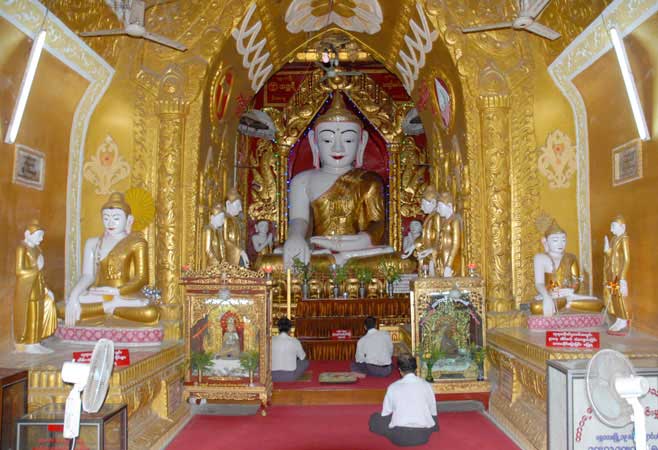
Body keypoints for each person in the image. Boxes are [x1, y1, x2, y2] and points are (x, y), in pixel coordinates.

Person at [255, 91, 415, 274]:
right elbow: (299, 220)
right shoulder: (303, 180)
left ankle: (337, 262)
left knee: (399, 262)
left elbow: (376, 225)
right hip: (316, 251)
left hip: (357, 252)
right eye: (327, 140)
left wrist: (353, 243)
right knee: (268, 263)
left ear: (361, 142)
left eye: (348, 139)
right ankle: (336, 262)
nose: (337, 148)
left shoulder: (370, 181)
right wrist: (296, 238)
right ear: (314, 142)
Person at [58, 192, 159, 326]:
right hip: (99, 295)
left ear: (129, 220)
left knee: (150, 313)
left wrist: (117, 291)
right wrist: (73, 297)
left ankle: (111, 306)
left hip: (124, 295)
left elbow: (142, 278)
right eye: (106, 218)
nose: (110, 223)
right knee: (62, 310)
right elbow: (88, 275)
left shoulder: (137, 243)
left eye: (116, 218)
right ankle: (109, 307)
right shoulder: (93, 243)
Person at [531, 219, 603, 316]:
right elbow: (539, 283)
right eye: (555, 240)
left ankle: (566, 304)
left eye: (563, 240)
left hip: (568, 296)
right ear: (546, 241)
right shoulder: (540, 258)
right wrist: (547, 296)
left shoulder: (571, 258)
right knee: (536, 308)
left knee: (598, 304)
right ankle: (565, 305)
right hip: (550, 295)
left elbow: (576, 282)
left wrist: (571, 290)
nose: (560, 244)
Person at [369, 353, 439, 447]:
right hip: (422, 435)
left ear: (400, 370)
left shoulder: (393, 387)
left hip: (399, 436)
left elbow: (386, 413)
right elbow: (433, 411)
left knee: (375, 419)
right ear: (416, 369)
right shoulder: (426, 385)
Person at [13, 220, 57, 353]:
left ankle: (36, 341)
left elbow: (41, 273)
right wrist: (36, 268)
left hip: (38, 286)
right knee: (31, 315)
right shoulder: (22, 248)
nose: (41, 239)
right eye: (39, 236)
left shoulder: (37, 248)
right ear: (27, 234)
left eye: (42, 236)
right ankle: (29, 343)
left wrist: (46, 289)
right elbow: (19, 271)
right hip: (28, 289)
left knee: (39, 314)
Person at [603, 215, 630, 335]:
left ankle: (623, 319)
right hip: (612, 273)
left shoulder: (624, 239)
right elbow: (611, 256)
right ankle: (618, 318)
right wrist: (607, 249)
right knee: (614, 296)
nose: (611, 230)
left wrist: (623, 278)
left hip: (618, 274)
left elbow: (627, 259)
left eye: (613, 226)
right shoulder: (614, 239)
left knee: (619, 296)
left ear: (622, 227)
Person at [271, 317, 309, 382]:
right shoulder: (295, 341)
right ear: (290, 329)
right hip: (290, 376)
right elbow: (303, 358)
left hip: (272, 376)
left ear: (278, 328)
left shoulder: (271, 340)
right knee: (305, 362)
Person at [224, 187, 250, 267]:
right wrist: (240, 251)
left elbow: (240, 237)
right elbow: (226, 239)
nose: (238, 207)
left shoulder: (238, 219)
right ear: (228, 204)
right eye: (235, 204)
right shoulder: (226, 220)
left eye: (238, 204)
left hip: (239, 248)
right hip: (231, 250)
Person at [201, 204, 226, 268]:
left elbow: (221, 247)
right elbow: (208, 249)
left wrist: (223, 260)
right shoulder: (209, 230)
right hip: (213, 264)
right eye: (220, 218)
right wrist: (216, 262)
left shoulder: (219, 231)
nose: (222, 221)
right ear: (213, 218)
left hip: (220, 263)